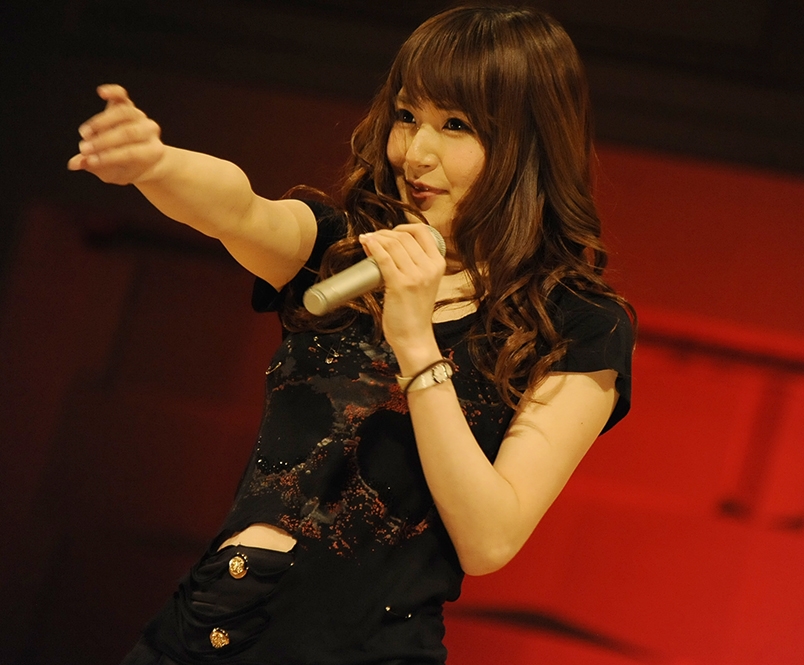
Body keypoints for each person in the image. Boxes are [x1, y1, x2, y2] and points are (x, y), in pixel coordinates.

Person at [68, 5, 634, 664]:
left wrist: (417, 344)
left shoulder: (576, 322)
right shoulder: (342, 249)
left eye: (455, 125)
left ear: (527, 142)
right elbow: (238, 209)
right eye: (407, 116)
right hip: (198, 632)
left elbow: (489, 538)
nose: (414, 153)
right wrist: (155, 164)